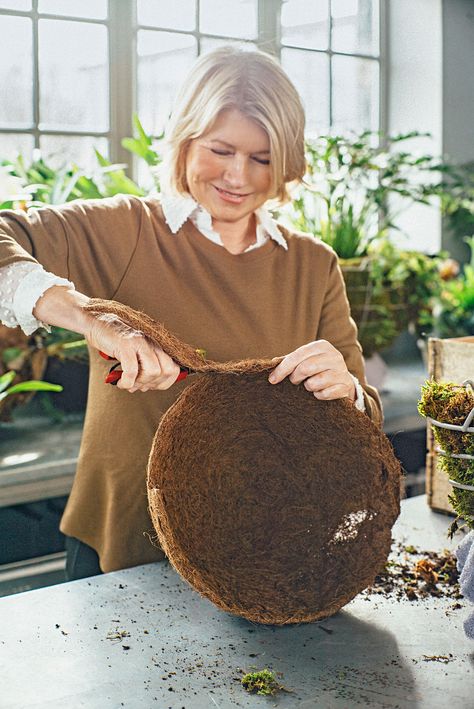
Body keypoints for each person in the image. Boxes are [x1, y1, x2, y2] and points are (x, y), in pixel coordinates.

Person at [0, 46, 382, 580]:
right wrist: (91, 316)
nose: (239, 176)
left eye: (263, 159)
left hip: (258, 554)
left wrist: (347, 393)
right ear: (185, 139)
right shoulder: (126, 230)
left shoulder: (313, 266)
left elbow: (364, 412)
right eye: (221, 150)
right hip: (125, 549)